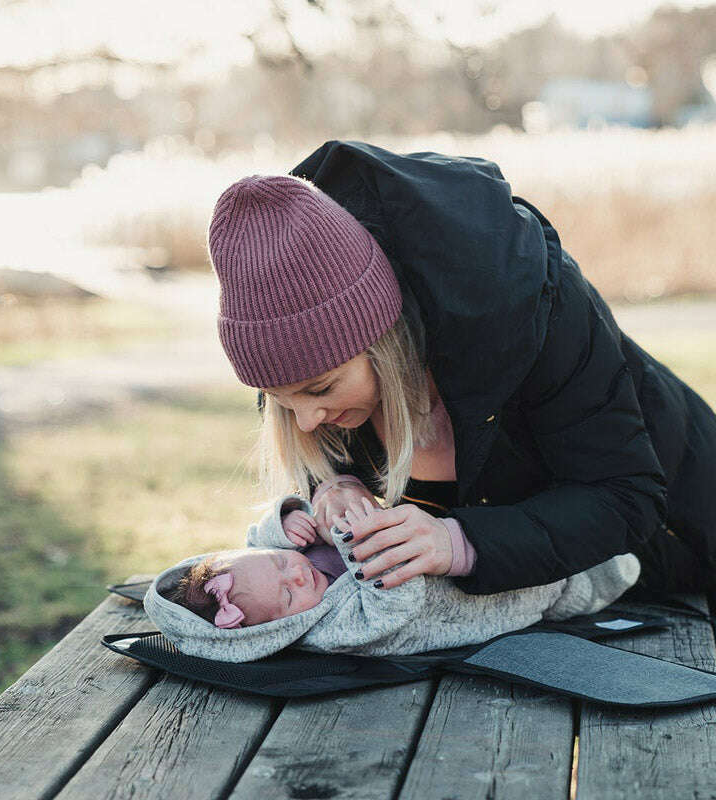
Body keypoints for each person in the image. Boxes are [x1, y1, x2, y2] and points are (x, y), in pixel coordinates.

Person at [205, 140, 716, 600]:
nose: (306, 421)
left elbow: (624, 495)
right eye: (278, 399)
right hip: (567, 612)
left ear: (382, 339)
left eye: (320, 388)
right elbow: (310, 419)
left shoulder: (532, 304)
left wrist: (457, 540)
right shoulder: (304, 375)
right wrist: (334, 488)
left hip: (688, 536)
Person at [143, 494, 639, 663]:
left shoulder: (272, 562)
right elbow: (394, 602)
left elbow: (260, 534)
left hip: (477, 553)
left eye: (279, 563)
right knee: (567, 590)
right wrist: (352, 543)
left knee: (549, 544)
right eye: (290, 593)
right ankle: (613, 576)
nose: (297, 572)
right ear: (276, 630)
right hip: (491, 603)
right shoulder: (332, 633)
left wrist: (291, 518)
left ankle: (609, 546)